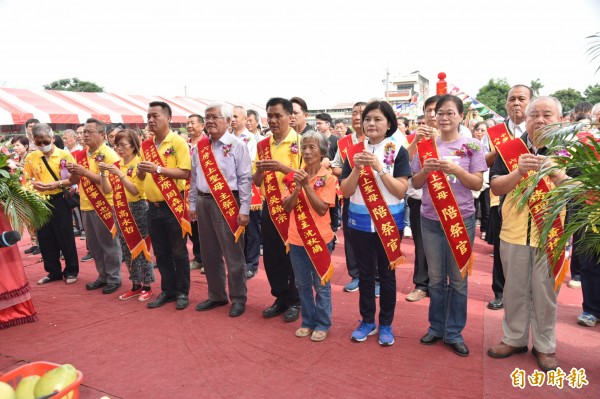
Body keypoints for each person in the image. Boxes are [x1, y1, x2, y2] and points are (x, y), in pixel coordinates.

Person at [487, 96, 568, 371]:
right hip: (513, 232)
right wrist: (519, 172)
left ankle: (545, 346)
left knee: (545, 294)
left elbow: (585, 190)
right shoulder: (510, 149)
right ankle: (514, 338)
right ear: (526, 118)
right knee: (514, 290)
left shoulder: (570, 151)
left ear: (560, 119)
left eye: (547, 115)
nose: (540, 120)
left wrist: (558, 176)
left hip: (551, 233)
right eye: (534, 115)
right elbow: (496, 187)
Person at [412, 95, 487, 357]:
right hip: (430, 219)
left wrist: (455, 171)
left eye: (450, 113)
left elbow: (477, 184)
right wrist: (426, 170)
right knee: (434, 279)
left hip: (461, 219)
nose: (443, 118)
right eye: (439, 113)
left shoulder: (473, 145)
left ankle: (454, 332)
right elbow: (416, 183)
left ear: (460, 116)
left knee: (458, 279)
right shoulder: (425, 146)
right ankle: (436, 327)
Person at [340, 100, 411, 346]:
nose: (371, 123)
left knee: (387, 275)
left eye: (378, 119)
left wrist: (380, 169)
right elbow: (346, 192)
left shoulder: (398, 150)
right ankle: (367, 320)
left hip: (389, 222)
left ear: (389, 123)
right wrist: (357, 169)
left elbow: (401, 191)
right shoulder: (353, 151)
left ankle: (386, 324)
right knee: (366, 275)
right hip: (359, 222)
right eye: (368, 119)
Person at [190, 103, 252, 317]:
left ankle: (238, 298)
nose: (209, 121)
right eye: (207, 117)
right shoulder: (200, 146)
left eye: (214, 117)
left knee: (233, 253)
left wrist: (244, 208)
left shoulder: (237, 145)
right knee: (208, 253)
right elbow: (194, 177)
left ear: (227, 121)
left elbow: (245, 178)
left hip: (228, 202)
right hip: (203, 201)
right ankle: (216, 295)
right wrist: (191, 204)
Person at [282, 131, 336, 341]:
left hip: (320, 239)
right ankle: (307, 321)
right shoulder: (293, 176)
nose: (307, 151)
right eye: (304, 147)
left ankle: (323, 323)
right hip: (296, 239)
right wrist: (296, 188)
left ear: (322, 151)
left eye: (312, 147)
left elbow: (322, 209)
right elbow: (287, 207)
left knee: (322, 285)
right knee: (302, 284)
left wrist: (306, 186)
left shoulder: (328, 178)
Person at [137, 102, 191, 310]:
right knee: (161, 252)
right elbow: (142, 175)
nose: (151, 120)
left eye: (155, 116)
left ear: (168, 118)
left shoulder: (177, 142)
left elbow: (185, 172)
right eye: (148, 116)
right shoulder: (146, 145)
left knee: (179, 251)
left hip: (173, 204)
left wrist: (158, 169)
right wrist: (142, 170)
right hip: (153, 206)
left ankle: (183, 292)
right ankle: (167, 290)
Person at [253, 97, 301, 322]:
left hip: (295, 207)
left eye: (277, 115)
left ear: (290, 117)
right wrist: (261, 172)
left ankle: (296, 299)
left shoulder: (302, 142)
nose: (272, 120)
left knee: (293, 256)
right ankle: (280, 297)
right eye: (269, 115)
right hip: (270, 207)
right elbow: (255, 178)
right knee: (272, 256)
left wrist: (282, 168)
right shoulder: (262, 145)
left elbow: (307, 178)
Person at [485, 85, 532, 310]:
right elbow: (484, 161)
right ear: (505, 103)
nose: (516, 103)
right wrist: (501, 150)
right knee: (502, 248)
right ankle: (500, 292)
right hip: (502, 198)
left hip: (534, 199)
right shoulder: (495, 132)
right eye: (511, 98)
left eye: (521, 98)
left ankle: (529, 293)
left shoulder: (539, 130)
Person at [67, 118, 123, 294]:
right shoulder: (81, 155)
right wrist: (74, 173)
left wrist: (84, 172)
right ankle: (102, 276)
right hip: (86, 203)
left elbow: (112, 181)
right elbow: (75, 180)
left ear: (102, 134)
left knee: (109, 243)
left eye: (89, 132)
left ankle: (114, 278)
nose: (85, 135)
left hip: (105, 204)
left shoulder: (109, 154)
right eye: (84, 132)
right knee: (94, 244)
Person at [98, 129, 155, 302]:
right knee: (127, 248)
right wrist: (103, 173)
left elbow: (136, 190)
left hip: (138, 208)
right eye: (117, 145)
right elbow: (107, 190)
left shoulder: (140, 163)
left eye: (123, 145)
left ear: (133, 145)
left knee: (141, 247)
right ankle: (135, 284)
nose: (119, 149)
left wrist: (121, 175)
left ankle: (147, 285)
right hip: (120, 209)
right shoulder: (116, 164)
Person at [24, 123, 80, 285]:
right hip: (40, 201)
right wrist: (33, 186)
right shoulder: (31, 157)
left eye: (45, 141)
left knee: (65, 236)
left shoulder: (64, 155)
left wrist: (57, 184)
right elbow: (26, 179)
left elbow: (75, 179)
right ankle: (53, 271)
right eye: (38, 142)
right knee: (45, 237)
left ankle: (71, 270)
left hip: (60, 199)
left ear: (53, 138)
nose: (42, 145)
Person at [404, 96, 441, 302]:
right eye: (428, 110)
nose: (433, 115)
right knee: (421, 245)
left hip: (447, 200)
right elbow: (403, 163)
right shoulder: (414, 137)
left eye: (437, 110)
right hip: (420, 198)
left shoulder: (458, 136)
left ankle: (442, 284)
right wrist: (417, 141)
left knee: (447, 245)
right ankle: (421, 284)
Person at [332, 102, 369, 294]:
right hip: (350, 194)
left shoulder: (378, 139)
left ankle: (376, 276)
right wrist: (350, 171)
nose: (357, 116)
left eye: (362, 113)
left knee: (373, 237)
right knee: (351, 235)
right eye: (354, 113)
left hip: (375, 197)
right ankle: (356, 275)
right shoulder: (344, 142)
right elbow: (335, 167)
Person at [231, 106, 261, 280]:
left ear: (245, 119)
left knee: (251, 230)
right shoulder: (226, 138)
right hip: (230, 189)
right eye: (231, 116)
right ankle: (238, 262)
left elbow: (248, 164)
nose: (233, 119)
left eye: (236, 116)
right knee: (234, 227)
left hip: (247, 187)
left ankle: (251, 263)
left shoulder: (249, 139)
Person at [186, 114, 206, 272]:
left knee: (204, 228)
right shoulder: (184, 144)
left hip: (203, 190)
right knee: (192, 227)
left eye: (192, 123)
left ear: (202, 125)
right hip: (185, 192)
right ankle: (198, 257)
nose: (189, 126)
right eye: (187, 123)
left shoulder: (207, 144)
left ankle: (208, 259)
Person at [315, 113, 340, 234]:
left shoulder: (336, 140)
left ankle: (333, 229)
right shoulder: (316, 139)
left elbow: (339, 160)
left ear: (328, 124)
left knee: (333, 203)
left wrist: (329, 162)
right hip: (318, 175)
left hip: (332, 176)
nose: (318, 126)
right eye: (317, 123)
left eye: (320, 123)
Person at [472, 121, 490, 240]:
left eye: (482, 130)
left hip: (487, 179)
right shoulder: (469, 144)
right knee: (472, 207)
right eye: (477, 130)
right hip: (473, 179)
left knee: (486, 207)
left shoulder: (491, 145)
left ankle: (484, 229)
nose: (479, 132)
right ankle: (470, 229)